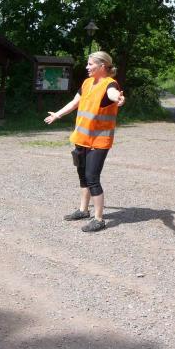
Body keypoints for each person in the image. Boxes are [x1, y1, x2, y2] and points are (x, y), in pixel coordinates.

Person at [44, 51, 125, 232]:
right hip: (81, 138)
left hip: (99, 141)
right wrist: (57, 114)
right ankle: (83, 210)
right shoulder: (87, 83)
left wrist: (118, 98)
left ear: (102, 66)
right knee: (82, 175)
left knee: (92, 178)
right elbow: (74, 103)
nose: (87, 67)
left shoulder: (109, 84)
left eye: (90, 64)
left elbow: (113, 94)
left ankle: (99, 219)